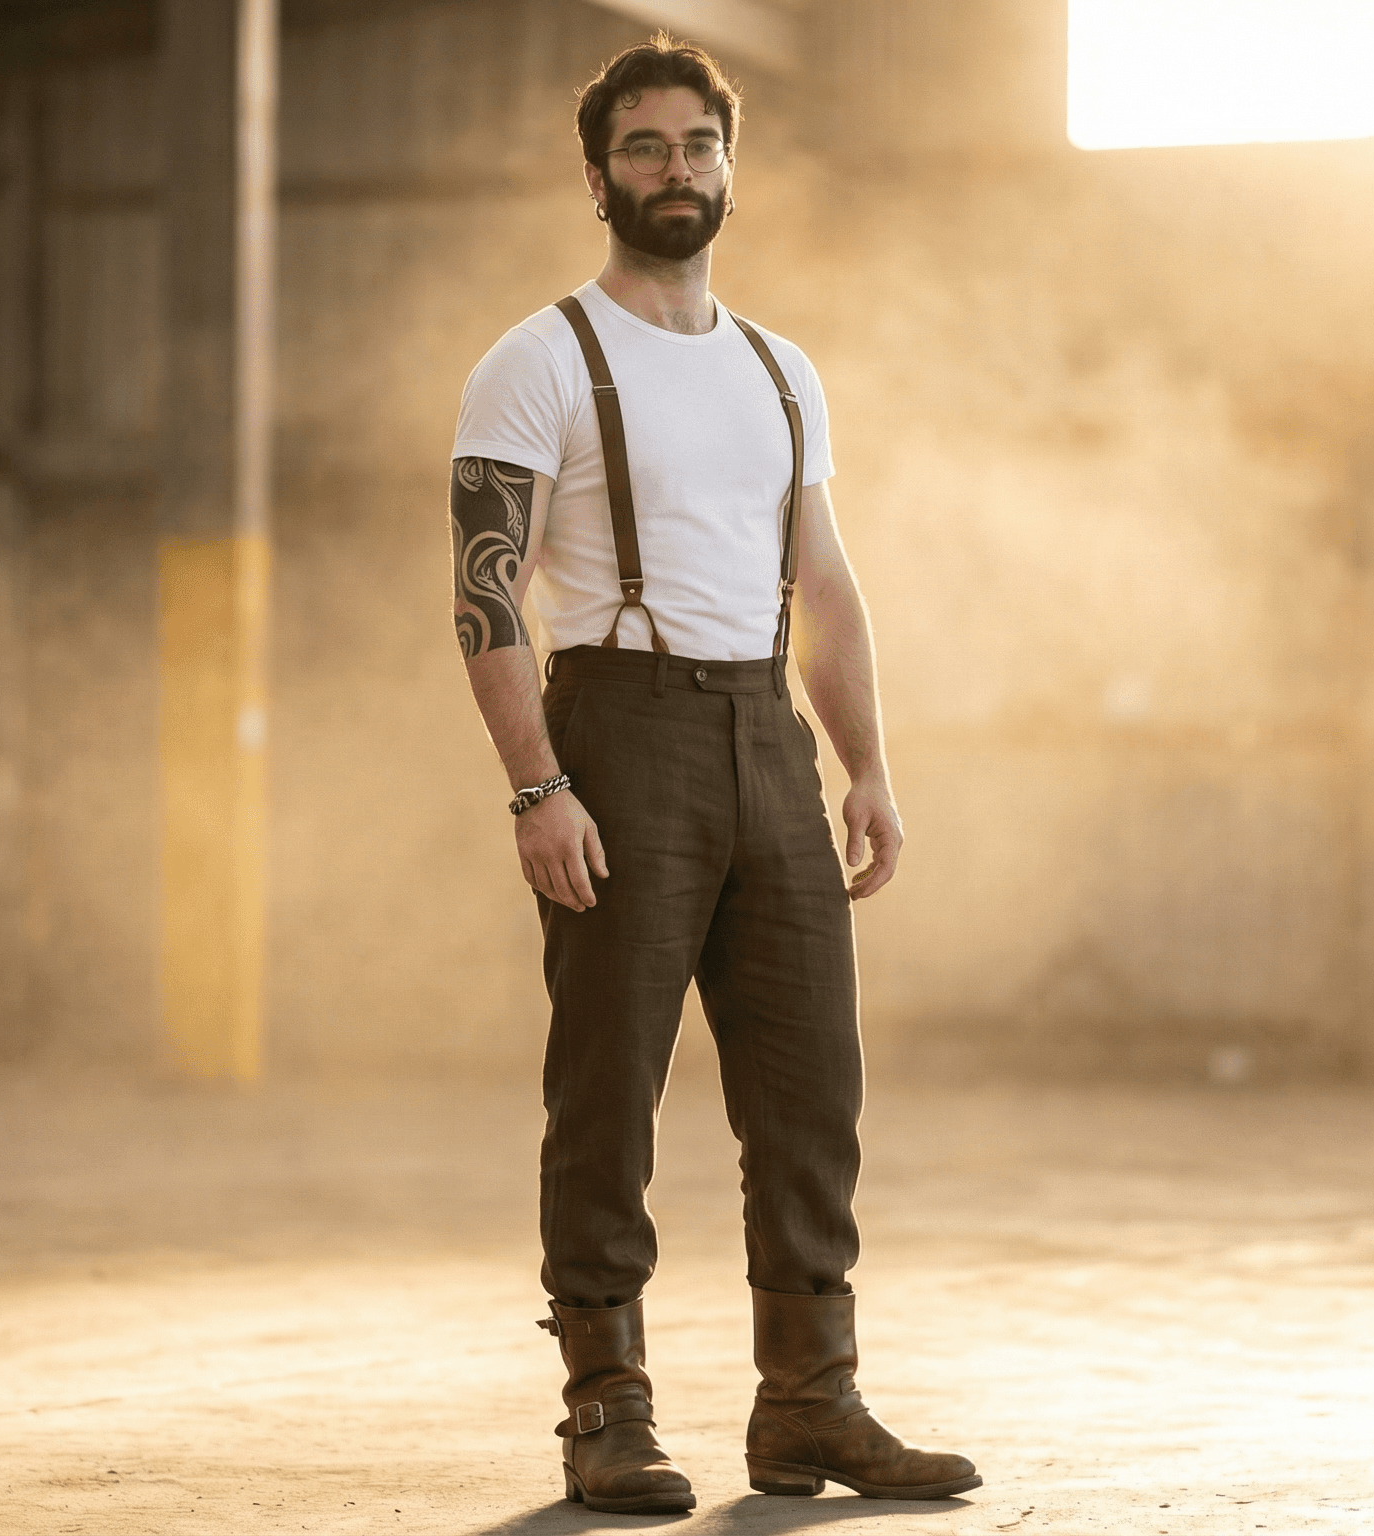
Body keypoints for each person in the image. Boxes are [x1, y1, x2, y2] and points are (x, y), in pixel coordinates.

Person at [445, 34, 980, 1517]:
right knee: (607, 1088)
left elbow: (826, 586)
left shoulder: (779, 369)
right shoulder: (540, 357)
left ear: (729, 165)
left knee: (813, 1094)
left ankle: (812, 1403)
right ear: (600, 172)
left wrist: (866, 765)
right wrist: (536, 786)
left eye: (696, 146)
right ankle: (606, 1410)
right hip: (617, 731)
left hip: (768, 740)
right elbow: (485, 598)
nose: (673, 171)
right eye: (644, 148)